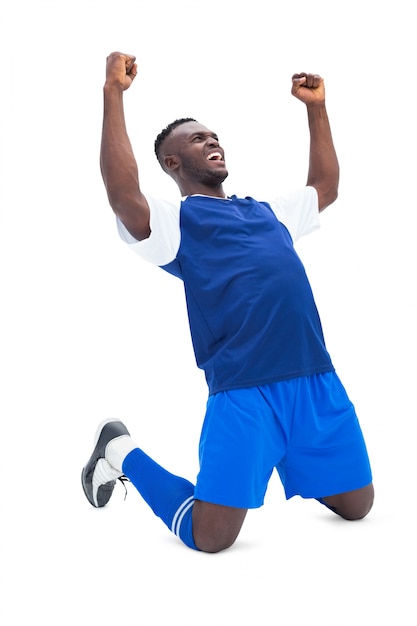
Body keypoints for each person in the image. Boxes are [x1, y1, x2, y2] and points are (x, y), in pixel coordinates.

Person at [82, 51, 374, 553]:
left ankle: (284, 450)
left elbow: (325, 187)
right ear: (172, 163)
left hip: (315, 380)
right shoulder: (177, 224)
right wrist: (113, 94)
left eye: (213, 135)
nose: (211, 141)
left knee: (358, 507)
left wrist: (316, 108)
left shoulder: (269, 213)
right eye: (197, 138)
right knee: (210, 537)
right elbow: (122, 193)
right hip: (244, 393)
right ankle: (119, 449)